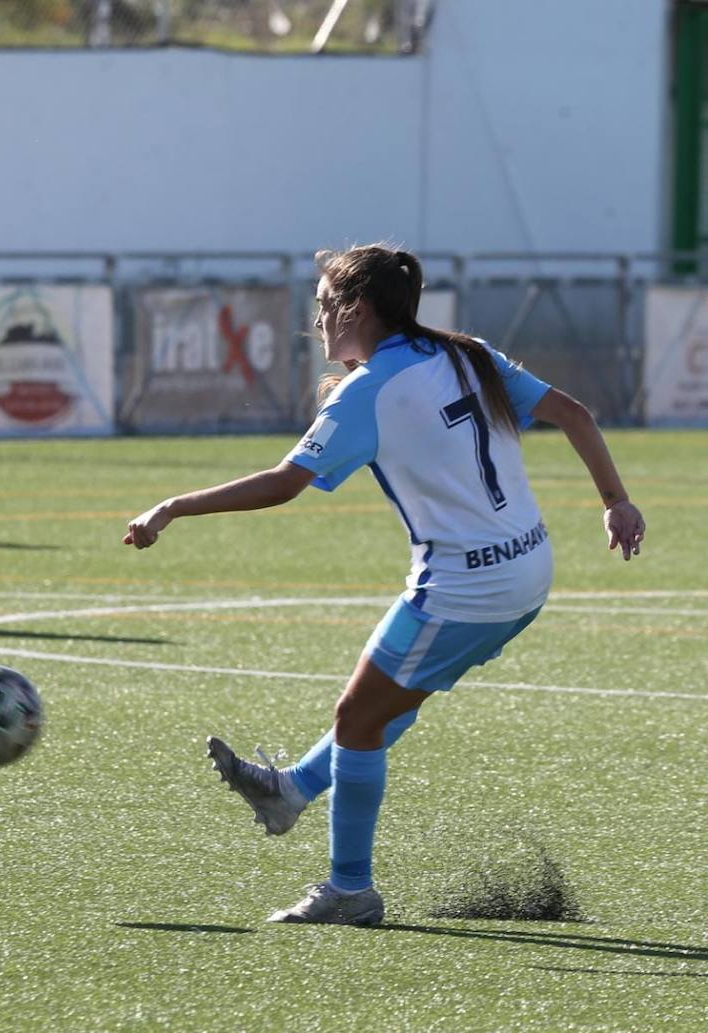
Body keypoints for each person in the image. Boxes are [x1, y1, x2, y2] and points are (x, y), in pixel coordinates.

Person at [123, 243, 646, 927]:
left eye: (322, 307)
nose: (318, 323)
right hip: (530, 570)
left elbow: (284, 484)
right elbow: (576, 412)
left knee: (357, 717)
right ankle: (292, 789)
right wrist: (616, 500)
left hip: (465, 586)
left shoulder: (367, 390)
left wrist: (173, 506)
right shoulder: (468, 352)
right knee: (392, 698)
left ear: (357, 308)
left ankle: (349, 890)